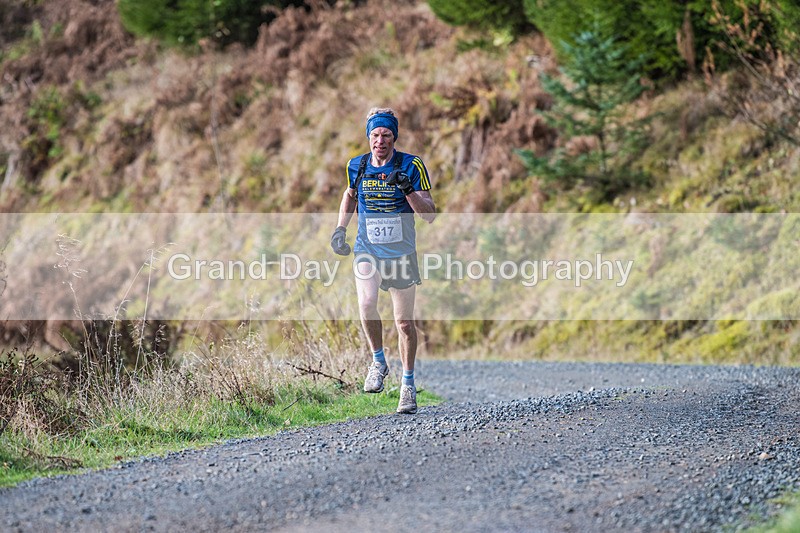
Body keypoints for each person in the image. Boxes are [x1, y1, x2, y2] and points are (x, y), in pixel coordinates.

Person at [330, 108, 436, 414]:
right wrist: (340, 228)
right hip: (368, 250)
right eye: (375, 135)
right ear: (368, 137)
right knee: (366, 304)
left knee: (404, 323)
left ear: (394, 137)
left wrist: (406, 189)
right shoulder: (357, 165)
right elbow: (349, 195)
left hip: (401, 253)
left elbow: (429, 214)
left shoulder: (412, 165)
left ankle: (408, 384)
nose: (380, 141)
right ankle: (378, 361)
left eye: (386, 135)